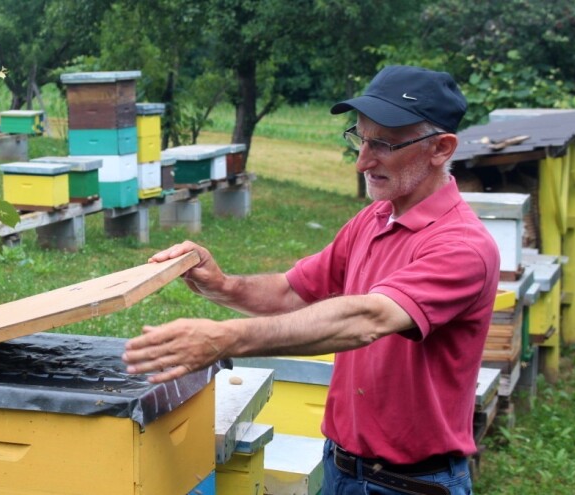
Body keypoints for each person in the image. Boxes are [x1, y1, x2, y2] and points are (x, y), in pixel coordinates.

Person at [121, 65, 500, 495]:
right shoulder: (374, 219)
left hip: (410, 484)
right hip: (339, 466)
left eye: (383, 144)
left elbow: (367, 319)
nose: (362, 161)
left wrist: (224, 339)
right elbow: (291, 291)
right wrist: (223, 285)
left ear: (441, 148)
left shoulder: (462, 246)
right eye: (360, 138)